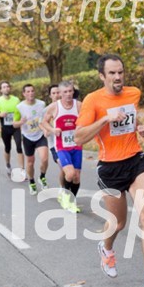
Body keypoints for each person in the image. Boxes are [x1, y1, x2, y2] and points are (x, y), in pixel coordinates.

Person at [75, 54, 144, 287]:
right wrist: (105, 118)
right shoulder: (92, 100)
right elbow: (79, 136)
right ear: (102, 76)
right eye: (112, 73)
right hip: (110, 167)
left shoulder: (133, 93)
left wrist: (140, 128)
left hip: (135, 161)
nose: (117, 77)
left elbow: (130, 121)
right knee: (118, 222)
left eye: (120, 72)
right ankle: (106, 249)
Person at [42, 80, 81, 212]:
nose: (69, 94)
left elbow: (87, 120)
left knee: (76, 177)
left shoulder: (79, 105)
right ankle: (65, 196)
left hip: (77, 145)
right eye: (65, 92)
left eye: (70, 91)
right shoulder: (54, 107)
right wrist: (52, 130)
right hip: (61, 145)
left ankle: (72, 201)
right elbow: (44, 122)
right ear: (61, 93)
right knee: (69, 174)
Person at [16, 84, 48, 195]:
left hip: (40, 135)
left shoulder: (41, 104)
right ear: (24, 94)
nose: (30, 93)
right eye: (28, 91)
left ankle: (42, 177)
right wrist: (20, 122)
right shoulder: (19, 107)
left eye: (32, 91)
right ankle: (32, 182)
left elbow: (46, 118)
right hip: (27, 137)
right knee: (30, 163)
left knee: (44, 158)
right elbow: (14, 124)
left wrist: (46, 128)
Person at [0, 81, 23, 176]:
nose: (6, 88)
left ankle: (22, 170)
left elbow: (21, 110)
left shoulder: (16, 100)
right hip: (5, 128)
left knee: (19, 147)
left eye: (7, 86)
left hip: (16, 127)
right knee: (8, 148)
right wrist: (0, 114)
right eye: (4, 87)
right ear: (1, 90)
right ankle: (8, 164)